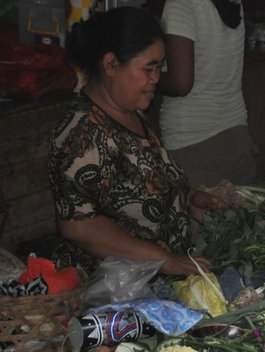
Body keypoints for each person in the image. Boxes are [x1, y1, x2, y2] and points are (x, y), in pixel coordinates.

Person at [48, 6, 226, 278]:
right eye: (148, 68)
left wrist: (188, 201)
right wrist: (164, 260)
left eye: (159, 67)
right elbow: (79, 226)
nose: (156, 78)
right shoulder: (82, 132)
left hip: (151, 284)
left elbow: (143, 189)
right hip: (109, 295)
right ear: (110, 64)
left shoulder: (133, 115)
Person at [158, 0, 257, 188]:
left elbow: (181, 84)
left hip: (193, 144)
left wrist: (142, 74)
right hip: (236, 138)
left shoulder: (180, 4)